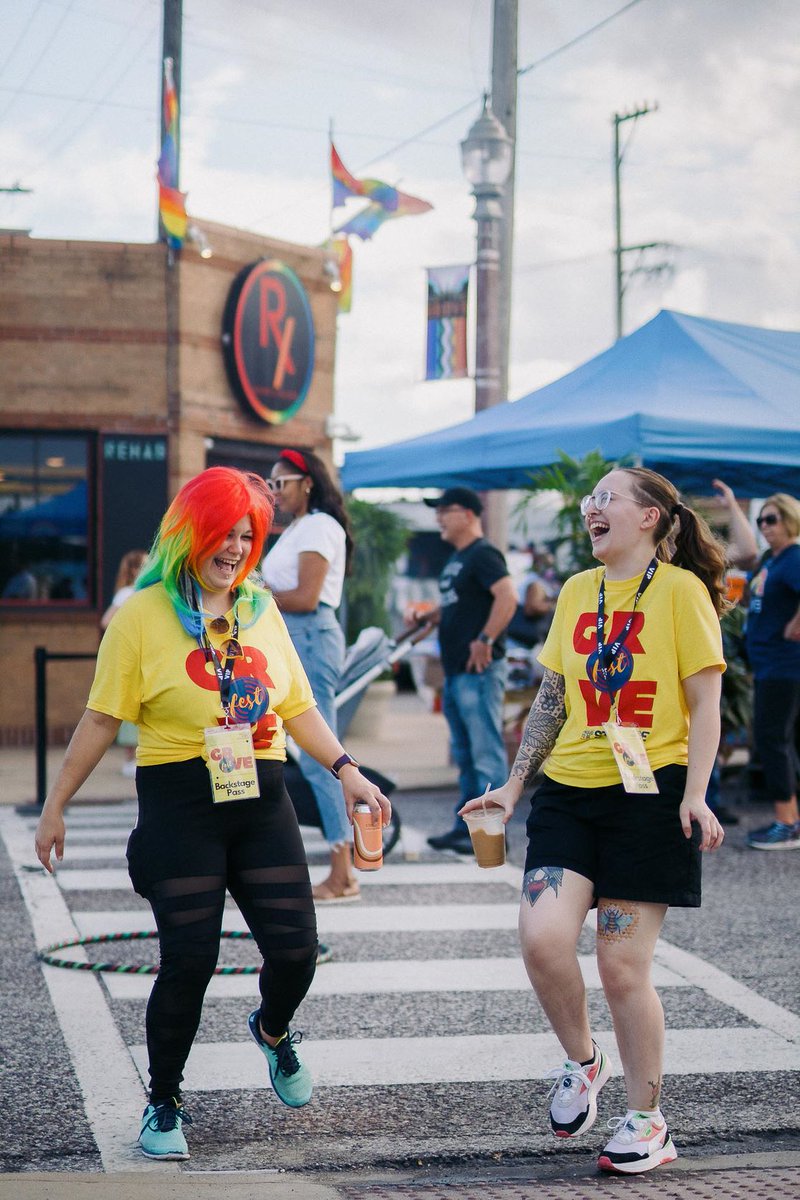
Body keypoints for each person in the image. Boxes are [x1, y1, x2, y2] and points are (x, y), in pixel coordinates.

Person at [34, 467, 390, 1162]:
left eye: (248, 534)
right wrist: (55, 805)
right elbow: (102, 718)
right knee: (189, 961)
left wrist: (347, 771)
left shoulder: (259, 606)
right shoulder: (141, 615)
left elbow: (297, 706)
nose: (235, 546)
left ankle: (274, 1029)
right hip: (179, 804)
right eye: (224, 531)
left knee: (294, 951)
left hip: (261, 796)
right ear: (190, 531)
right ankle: (163, 1099)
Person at [462, 467, 726, 1175]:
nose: (591, 509)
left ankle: (648, 1120)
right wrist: (515, 787)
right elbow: (553, 695)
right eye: (591, 501)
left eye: (606, 497)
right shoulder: (579, 592)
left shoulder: (682, 593)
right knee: (543, 940)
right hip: (569, 795)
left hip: (651, 797)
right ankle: (584, 1062)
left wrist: (697, 794)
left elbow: (705, 703)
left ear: (650, 517)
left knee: (620, 963)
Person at [261, 448, 359, 902]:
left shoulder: (320, 526)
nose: (275, 491)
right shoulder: (299, 528)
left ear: (308, 483)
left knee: (322, 752)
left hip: (311, 637)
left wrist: (252, 594)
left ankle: (343, 873)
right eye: (273, 483)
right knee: (296, 750)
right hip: (294, 639)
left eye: (282, 483)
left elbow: (304, 596)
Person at [420, 487, 517, 854]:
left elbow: (507, 595)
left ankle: (493, 835)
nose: (439, 517)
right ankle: (470, 831)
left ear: (470, 514)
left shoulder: (483, 553)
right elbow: (461, 603)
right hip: (457, 671)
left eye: (446, 510)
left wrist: (486, 639)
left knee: (484, 753)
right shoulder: (459, 558)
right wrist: (433, 616)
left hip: (479, 671)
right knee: (464, 754)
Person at [714, 480, 800, 849]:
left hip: (785, 665)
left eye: (772, 519)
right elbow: (746, 553)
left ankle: (786, 822)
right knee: (779, 740)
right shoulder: (772, 558)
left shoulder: (794, 557)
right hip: (769, 665)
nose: (765, 526)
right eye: (762, 520)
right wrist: (734, 506)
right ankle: (790, 818)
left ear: (791, 520)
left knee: (771, 738)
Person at [101, 549, 148, 777]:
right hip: (137, 660)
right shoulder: (129, 594)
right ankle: (131, 757)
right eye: (142, 566)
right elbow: (107, 620)